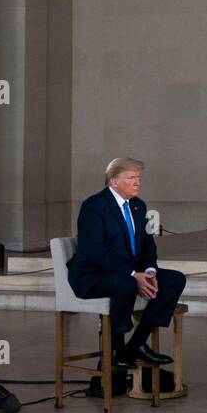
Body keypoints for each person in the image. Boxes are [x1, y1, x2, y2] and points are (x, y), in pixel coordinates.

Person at [67, 157, 186, 369]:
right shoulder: (94, 206)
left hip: (129, 273)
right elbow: (95, 252)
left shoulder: (139, 206)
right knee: (126, 283)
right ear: (114, 181)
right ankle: (116, 350)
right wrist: (133, 274)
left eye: (138, 177)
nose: (137, 182)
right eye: (131, 178)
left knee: (174, 280)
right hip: (92, 275)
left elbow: (148, 246)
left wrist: (149, 271)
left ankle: (137, 345)